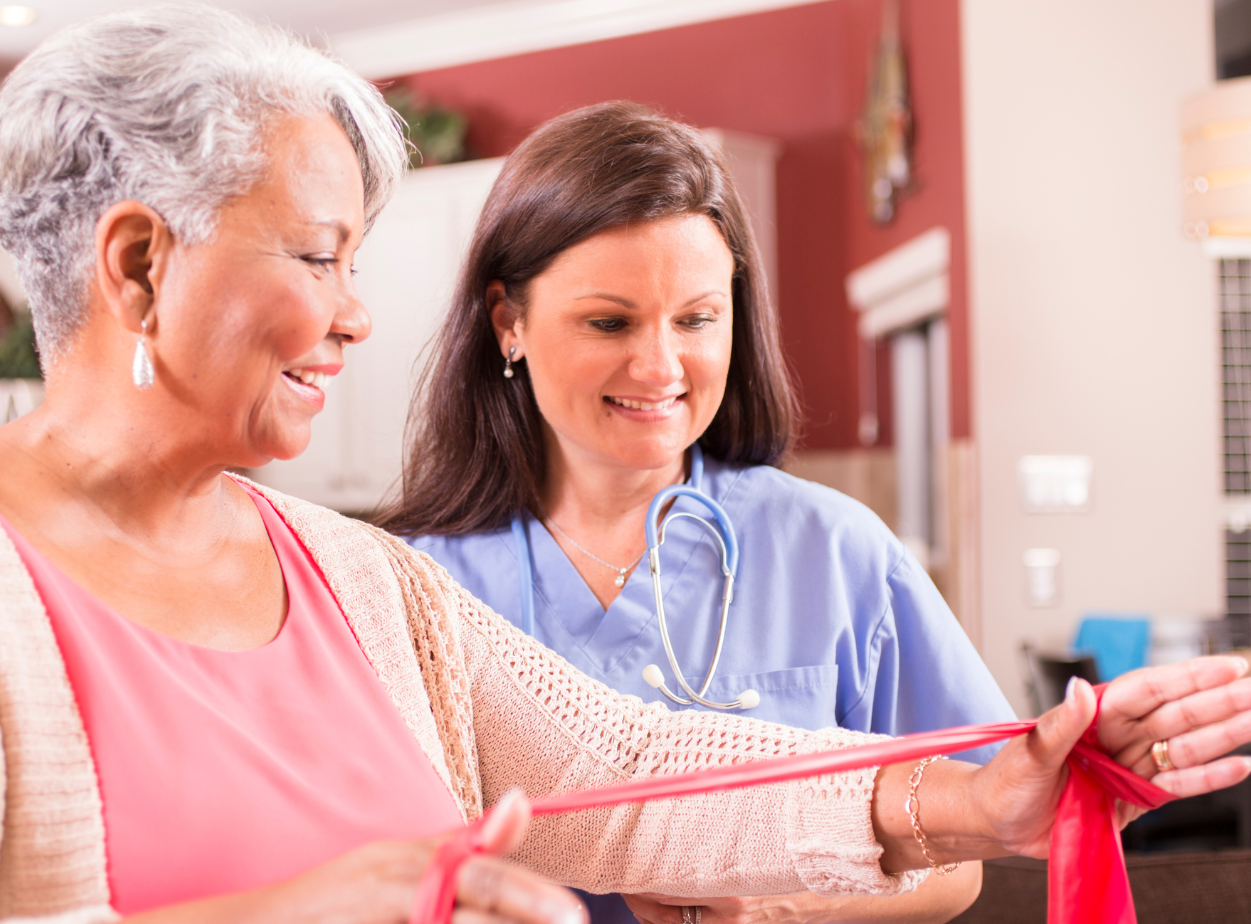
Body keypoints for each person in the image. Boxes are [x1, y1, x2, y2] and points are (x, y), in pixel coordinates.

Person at [0, 7, 1251, 924]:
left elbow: (632, 770)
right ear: (140, 265)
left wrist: (970, 803)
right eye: (322, 255)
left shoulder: (345, 574)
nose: (356, 315)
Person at [377, 102, 1001, 924]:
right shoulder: (408, 587)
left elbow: (962, 855)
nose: (660, 365)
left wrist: (775, 912)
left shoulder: (831, 550)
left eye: (697, 319)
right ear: (509, 324)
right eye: (610, 321)